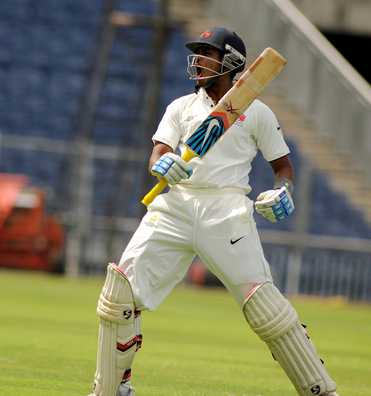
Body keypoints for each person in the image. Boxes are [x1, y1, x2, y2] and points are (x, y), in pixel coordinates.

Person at [88, 27, 339, 396]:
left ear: (233, 62)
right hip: (174, 205)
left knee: (265, 308)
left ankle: (321, 391)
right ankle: (110, 390)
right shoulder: (180, 107)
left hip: (226, 210)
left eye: (209, 52)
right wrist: (163, 164)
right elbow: (158, 152)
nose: (200, 60)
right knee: (119, 295)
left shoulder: (257, 112)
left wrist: (282, 191)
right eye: (198, 52)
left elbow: (283, 167)